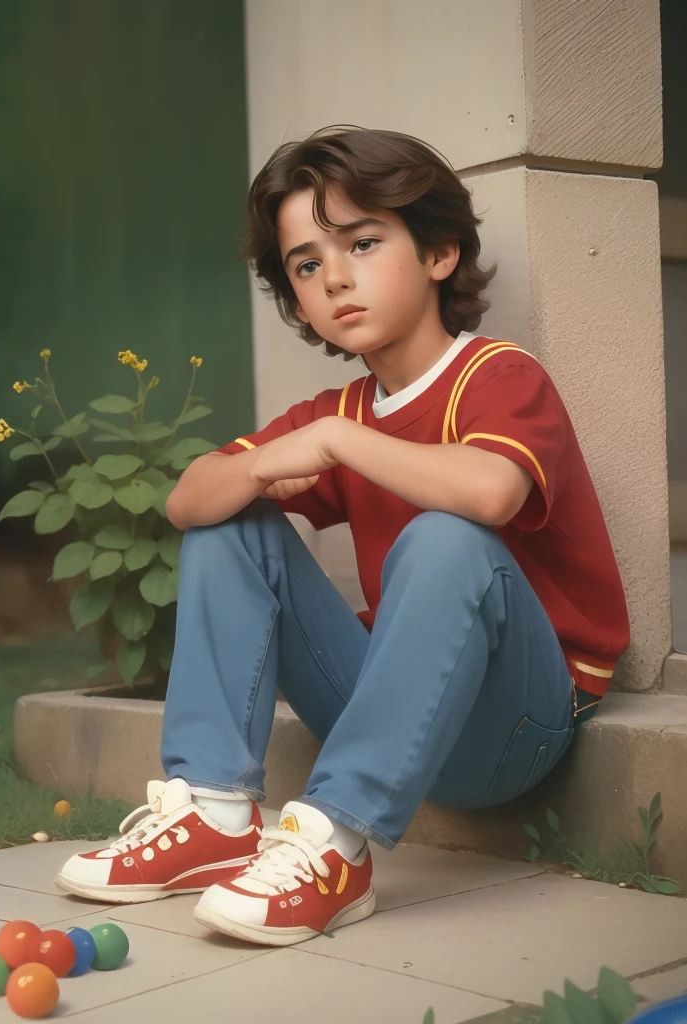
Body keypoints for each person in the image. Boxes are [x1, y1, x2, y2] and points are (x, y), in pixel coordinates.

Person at [55, 127, 629, 946]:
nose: (337, 279)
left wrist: (332, 446)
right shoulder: (341, 412)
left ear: (437, 252)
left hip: (516, 724)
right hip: (392, 703)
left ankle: (335, 844)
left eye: (362, 243)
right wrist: (264, 468)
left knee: (446, 538)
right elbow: (188, 501)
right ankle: (216, 813)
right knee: (230, 520)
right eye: (308, 265)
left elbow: (492, 491)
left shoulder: (500, 376)